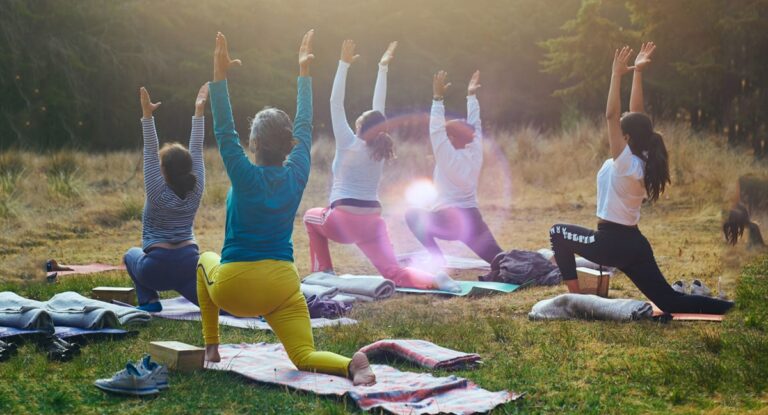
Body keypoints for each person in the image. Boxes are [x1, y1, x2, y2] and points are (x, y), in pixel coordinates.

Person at [196, 31, 375, 386]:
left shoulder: (243, 173)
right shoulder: (296, 174)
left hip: (235, 289)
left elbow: (223, 128)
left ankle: (211, 347)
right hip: (282, 285)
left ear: (255, 143)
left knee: (204, 259)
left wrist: (219, 77)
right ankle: (351, 365)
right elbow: (305, 127)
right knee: (303, 356)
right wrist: (304, 74)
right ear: (288, 143)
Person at [549, 42, 734, 314]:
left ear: (626, 137)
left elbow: (611, 115)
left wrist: (616, 74)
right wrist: (637, 72)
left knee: (557, 232)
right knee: (670, 302)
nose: (621, 120)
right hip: (634, 244)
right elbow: (638, 114)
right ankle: (731, 309)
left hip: (609, 243)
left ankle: (579, 301)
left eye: (623, 126)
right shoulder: (643, 159)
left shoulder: (625, 163)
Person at [303, 40, 459, 291]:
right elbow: (379, 109)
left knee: (310, 218)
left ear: (359, 126)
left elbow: (335, 102)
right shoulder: (378, 148)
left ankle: (325, 271)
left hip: (342, 221)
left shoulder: (348, 143)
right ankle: (437, 280)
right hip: (373, 222)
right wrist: (382, 68)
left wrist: (343, 64)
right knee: (393, 272)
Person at [123, 83, 208, 312]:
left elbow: (150, 150)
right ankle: (255, 309)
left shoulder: (156, 190)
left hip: (156, 269)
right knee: (217, 305)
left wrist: (147, 115)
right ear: (189, 168)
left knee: (130, 255)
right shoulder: (196, 187)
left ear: (163, 170)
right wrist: (199, 113)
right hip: (189, 265)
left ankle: (149, 301)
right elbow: (197, 149)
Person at [404, 70, 503, 266]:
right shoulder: (475, 152)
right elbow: (476, 124)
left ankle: (437, 259)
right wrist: (471, 97)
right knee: (502, 260)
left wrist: (438, 98)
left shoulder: (447, 156)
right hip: (473, 221)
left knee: (412, 215)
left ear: (452, 139)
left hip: (447, 221)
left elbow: (436, 130)